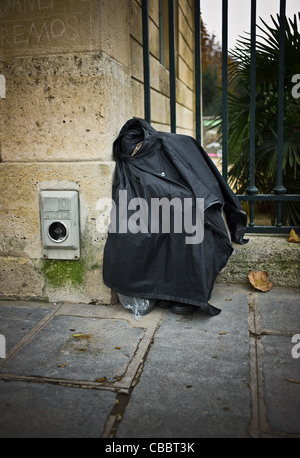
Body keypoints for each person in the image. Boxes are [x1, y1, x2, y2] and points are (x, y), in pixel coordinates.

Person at [103, 118, 247, 316]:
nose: (136, 154)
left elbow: (197, 179)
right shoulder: (127, 163)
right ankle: (168, 291)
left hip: (187, 207)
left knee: (189, 221)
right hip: (157, 209)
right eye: (132, 154)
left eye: (138, 149)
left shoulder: (171, 143)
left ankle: (189, 294)